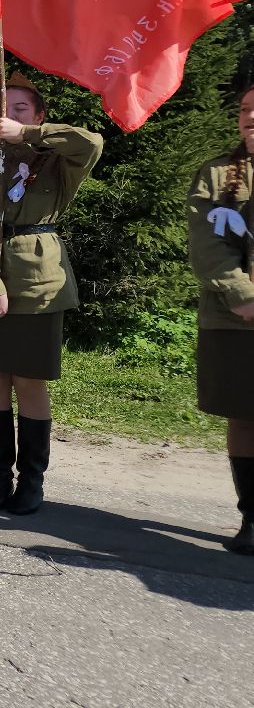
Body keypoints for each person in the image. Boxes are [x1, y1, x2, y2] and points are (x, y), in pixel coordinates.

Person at [0, 73, 102, 515]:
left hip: (39, 282)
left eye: (19, 109)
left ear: (38, 116)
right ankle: (0, 476)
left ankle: (31, 481)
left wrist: (29, 136)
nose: (8, 116)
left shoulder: (57, 162)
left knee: (30, 381)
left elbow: (91, 143)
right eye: (1, 109)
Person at [186, 81, 254, 555]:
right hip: (236, 318)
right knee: (244, 417)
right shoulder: (215, 175)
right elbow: (208, 247)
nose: (250, 116)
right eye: (246, 110)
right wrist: (242, 297)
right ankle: (251, 516)